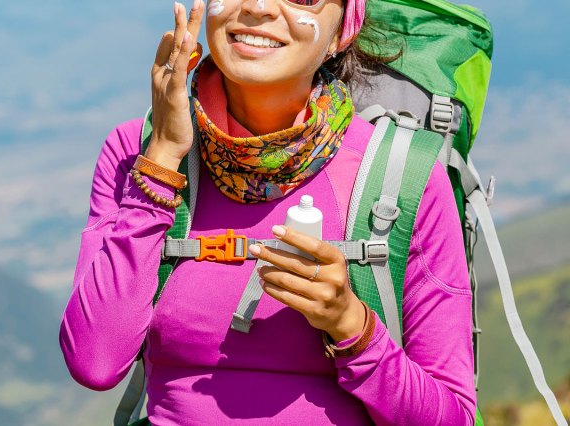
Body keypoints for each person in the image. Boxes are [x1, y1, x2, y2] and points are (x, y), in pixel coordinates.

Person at [59, 0, 476, 424]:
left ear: (340, 33)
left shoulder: (403, 177)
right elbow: (95, 362)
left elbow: (450, 417)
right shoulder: (140, 150)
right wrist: (163, 157)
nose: (258, 7)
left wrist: (352, 326)